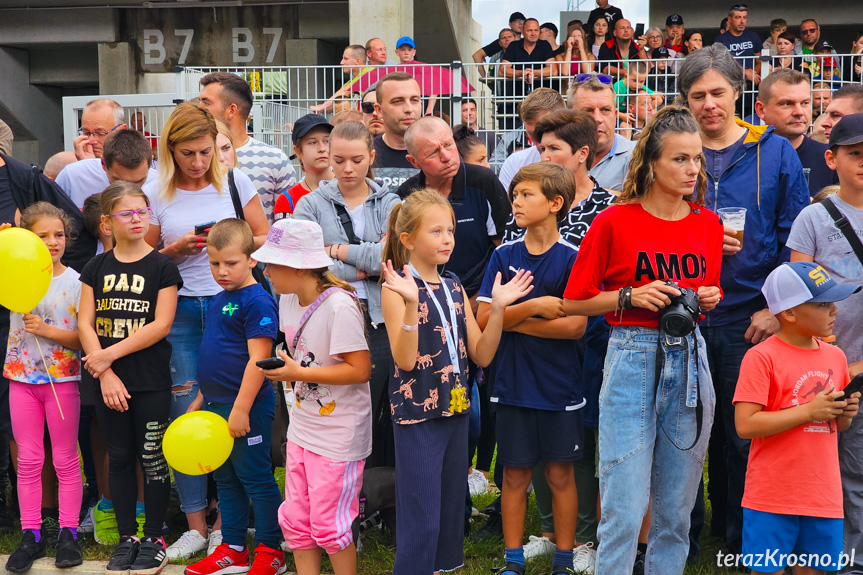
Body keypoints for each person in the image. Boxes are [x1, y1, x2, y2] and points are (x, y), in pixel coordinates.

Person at [562, 105, 723, 575]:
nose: (692, 169)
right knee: (624, 508)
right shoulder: (615, 221)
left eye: (697, 159)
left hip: (691, 358)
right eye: (680, 159)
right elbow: (574, 301)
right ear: (651, 162)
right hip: (631, 354)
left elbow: (704, 292)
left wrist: (708, 298)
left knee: (675, 511)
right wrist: (630, 295)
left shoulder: (707, 225)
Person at [677, 44, 810, 558]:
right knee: (684, 431)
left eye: (717, 93)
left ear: (738, 92)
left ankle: (739, 536)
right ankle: (683, 536)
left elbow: (792, 237)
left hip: (747, 317)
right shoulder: (673, 146)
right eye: (697, 95)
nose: (709, 104)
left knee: (741, 434)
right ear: (684, 101)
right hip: (682, 313)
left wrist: (774, 309)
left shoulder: (774, 150)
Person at [380, 189, 533, 575]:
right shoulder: (397, 287)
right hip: (418, 414)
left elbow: (481, 354)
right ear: (408, 240)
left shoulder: (453, 287)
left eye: (450, 229)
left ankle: (445, 568)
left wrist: (497, 309)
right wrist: (412, 304)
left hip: (457, 408)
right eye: (436, 231)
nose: (448, 238)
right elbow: (405, 359)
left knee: (450, 511)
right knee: (422, 511)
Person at [143, 102, 268, 561]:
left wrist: (228, 240)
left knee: (230, 408)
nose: (197, 163)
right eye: (187, 154)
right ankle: (195, 524)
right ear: (169, 149)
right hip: (177, 310)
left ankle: (225, 525)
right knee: (185, 413)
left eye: (204, 153)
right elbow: (146, 256)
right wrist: (173, 249)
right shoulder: (156, 189)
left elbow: (263, 233)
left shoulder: (235, 181)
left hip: (233, 310)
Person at [479, 162, 585, 575]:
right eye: (515, 194)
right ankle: (513, 560)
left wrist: (509, 316)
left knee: (560, 474)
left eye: (527, 195)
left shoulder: (573, 258)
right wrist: (535, 308)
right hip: (511, 383)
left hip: (560, 386)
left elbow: (574, 327)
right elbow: (485, 321)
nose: (516, 202)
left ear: (555, 203)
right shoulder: (503, 254)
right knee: (514, 476)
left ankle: (563, 559)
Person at [254, 218, 371, 575]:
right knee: (296, 521)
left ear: (300, 267)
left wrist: (298, 374)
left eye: (273, 263)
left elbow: (360, 370)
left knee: (328, 524)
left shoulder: (339, 306)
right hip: (303, 430)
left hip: (338, 436)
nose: (267, 270)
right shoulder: (287, 298)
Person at [78, 181, 182, 575]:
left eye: (142, 211)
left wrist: (106, 357)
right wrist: (103, 372)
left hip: (149, 380)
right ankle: (127, 538)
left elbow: (161, 324)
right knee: (119, 458)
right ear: (107, 222)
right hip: (107, 382)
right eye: (127, 213)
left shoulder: (162, 266)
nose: (137, 219)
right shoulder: (95, 267)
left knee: (152, 459)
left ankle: (154, 538)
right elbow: (85, 322)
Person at [733, 261, 860, 574]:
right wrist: (808, 411)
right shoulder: (761, 357)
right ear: (789, 313)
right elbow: (745, 424)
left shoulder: (836, 356)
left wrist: (844, 414)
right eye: (823, 304)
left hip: (823, 494)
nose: (835, 311)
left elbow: (834, 426)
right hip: (771, 496)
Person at [292, 121, 398, 468]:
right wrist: (365, 261)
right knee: (336, 404)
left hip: (382, 318)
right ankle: (339, 481)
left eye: (356, 160)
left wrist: (335, 249)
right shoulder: (309, 205)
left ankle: (375, 491)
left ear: (371, 157)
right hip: (331, 317)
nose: (347, 169)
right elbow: (309, 266)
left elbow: (390, 259)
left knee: (380, 403)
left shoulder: (391, 202)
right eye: (339, 160)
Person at [182, 219, 284, 575]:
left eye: (231, 263)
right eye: (214, 264)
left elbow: (259, 361)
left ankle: (273, 549)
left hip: (247, 406)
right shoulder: (219, 299)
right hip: (215, 405)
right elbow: (216, 353)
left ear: (252, 260)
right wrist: (201, 399)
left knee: (255, 477)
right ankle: (234, 547)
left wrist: (240, 409)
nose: (222, 271)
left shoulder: (257, 301)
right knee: (225, 478)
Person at [786, 113, 863, 572]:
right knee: (836, 468)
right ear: (831, 159)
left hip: (859, 365)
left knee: (856, 467)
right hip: (828, 369)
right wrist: (831, 359)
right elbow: (800, 296)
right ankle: (837, 557)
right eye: (855, 154)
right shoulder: (813, 218)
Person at [3, 203, 83, 574]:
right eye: (42, 236)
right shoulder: (12, 271)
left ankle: (68, 532)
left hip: (61, 381)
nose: (52, 242)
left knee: (65, 458)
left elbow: (83, 338)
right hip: (22, 381)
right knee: (29, 460)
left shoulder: (77, 282)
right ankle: (31, 533)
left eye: (59, 235)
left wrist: (46, 330)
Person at [398, 116, 512, 297]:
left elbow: (505, 248)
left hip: (484, 295)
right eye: (433, 153)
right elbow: (403, 258)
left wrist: (480, 300)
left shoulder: (483, 181)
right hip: (427, 299)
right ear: (414, 162)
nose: (446, 157)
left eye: (449, 145)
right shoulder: (407, 196)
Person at [198, 72, 296, 224]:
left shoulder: (275, 160)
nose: (198, 108)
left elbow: (287, 227)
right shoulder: (195, 159)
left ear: (231, 110)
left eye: (206, 102)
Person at [755, 69, 837, 198]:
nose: (799, 112)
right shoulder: (745, 157)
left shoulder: (830, 158)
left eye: (805, 103)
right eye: (787, 104)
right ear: (761, 110)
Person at [57, 126, 158, 210]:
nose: (128, 189)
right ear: (103, 164)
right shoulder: (72, 177)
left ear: (150, 162)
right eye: (119, 181)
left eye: (139, 181)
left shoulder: (162, 185)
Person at [566, 75, 637, 192]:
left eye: (605, 110)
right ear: (569, 117)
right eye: (588, 111)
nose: (598, 119)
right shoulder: (554, 156)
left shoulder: (637, 156)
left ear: (615, 115)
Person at [497, 88, 566, 189]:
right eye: (531, 134)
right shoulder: (514, 163)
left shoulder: (580, 162)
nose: (539, 143)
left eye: (542, 132)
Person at [273, 114, 334, 220]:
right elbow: (282, 235)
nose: (322, 149)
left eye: (327, 141)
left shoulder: (347, 186)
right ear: (297, 151)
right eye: (313, 142)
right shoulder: (288, 199)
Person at [500, 19, 556, 130]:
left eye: (536, 30)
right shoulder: (514, 46)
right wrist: (522, 73)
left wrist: (533, 73)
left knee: (541, 131)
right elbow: (502, 70)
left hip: (541, 102)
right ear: (523, 31)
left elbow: (553, 70)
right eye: (530, 30)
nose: (533, 33)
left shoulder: (545, 45)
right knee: (515, 135)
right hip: (516, 100)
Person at [371, 72, 423, 184]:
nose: (409, 109)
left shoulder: (440, 153)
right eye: (398, 101)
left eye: (414, 100)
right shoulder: (365, 154)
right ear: (379, 110)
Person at [307, 45, 373, 115]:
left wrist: (321, 107)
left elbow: (344, 92)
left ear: (357, 61)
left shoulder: (371, 73)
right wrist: (321, 107)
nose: (341, 62)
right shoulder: (352, 80)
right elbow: (336, 103)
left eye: (345, 59)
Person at [715, 5, 763, 89]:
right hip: (731, 85)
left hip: (751, 85)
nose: (742, 21)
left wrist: (753, 75)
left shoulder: (753, 36)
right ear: (729, 20)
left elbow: (760, 61)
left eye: (744, 17)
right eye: (738, 17)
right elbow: (719, 65)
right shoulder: (720, 40)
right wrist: (744, 73)